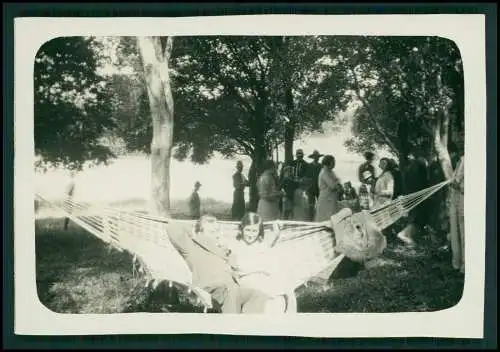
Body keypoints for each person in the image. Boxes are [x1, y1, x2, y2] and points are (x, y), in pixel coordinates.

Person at [165, 214, 272, 313]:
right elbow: (172, 228)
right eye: (212, 232)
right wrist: (194, 232)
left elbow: (236, 271)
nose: (216, 235)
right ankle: (229, 329)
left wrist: (228, 255)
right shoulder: (192, 248)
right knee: (232, 291)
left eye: (217, 231)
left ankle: (250, 328)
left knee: (257, 295)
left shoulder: (223, 251)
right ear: (200, 233)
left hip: (230, 290)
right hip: (210, 292)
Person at [449, 154, 465, 274]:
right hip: (455, 199)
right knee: (455, 232)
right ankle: (457, 264)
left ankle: (465, 266)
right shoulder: (460, 160)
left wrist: (459, 185)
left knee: (465, 233)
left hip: (465, 199)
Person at [315, 155, 342, 222]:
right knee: (325, 217)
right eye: (333, 162)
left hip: (331, 198)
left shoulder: (331, 172)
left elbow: (338, 180)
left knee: (332, 216)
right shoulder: (324, 172)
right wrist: (337, 183)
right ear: (328, 162)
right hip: (326, 198)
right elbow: (332, 185)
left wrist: (337, 183)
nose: (334, 164)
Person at [307, 150, 323, 219]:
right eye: (315, 157)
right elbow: (307, 177)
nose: (317, 158)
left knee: (320, 204)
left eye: (318, 157)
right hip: (311, 188)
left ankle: (319, 217)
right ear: (313, 157)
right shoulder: (309, 166)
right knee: (311, 205)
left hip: (319, 188)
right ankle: (311, 219)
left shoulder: (321, 166)